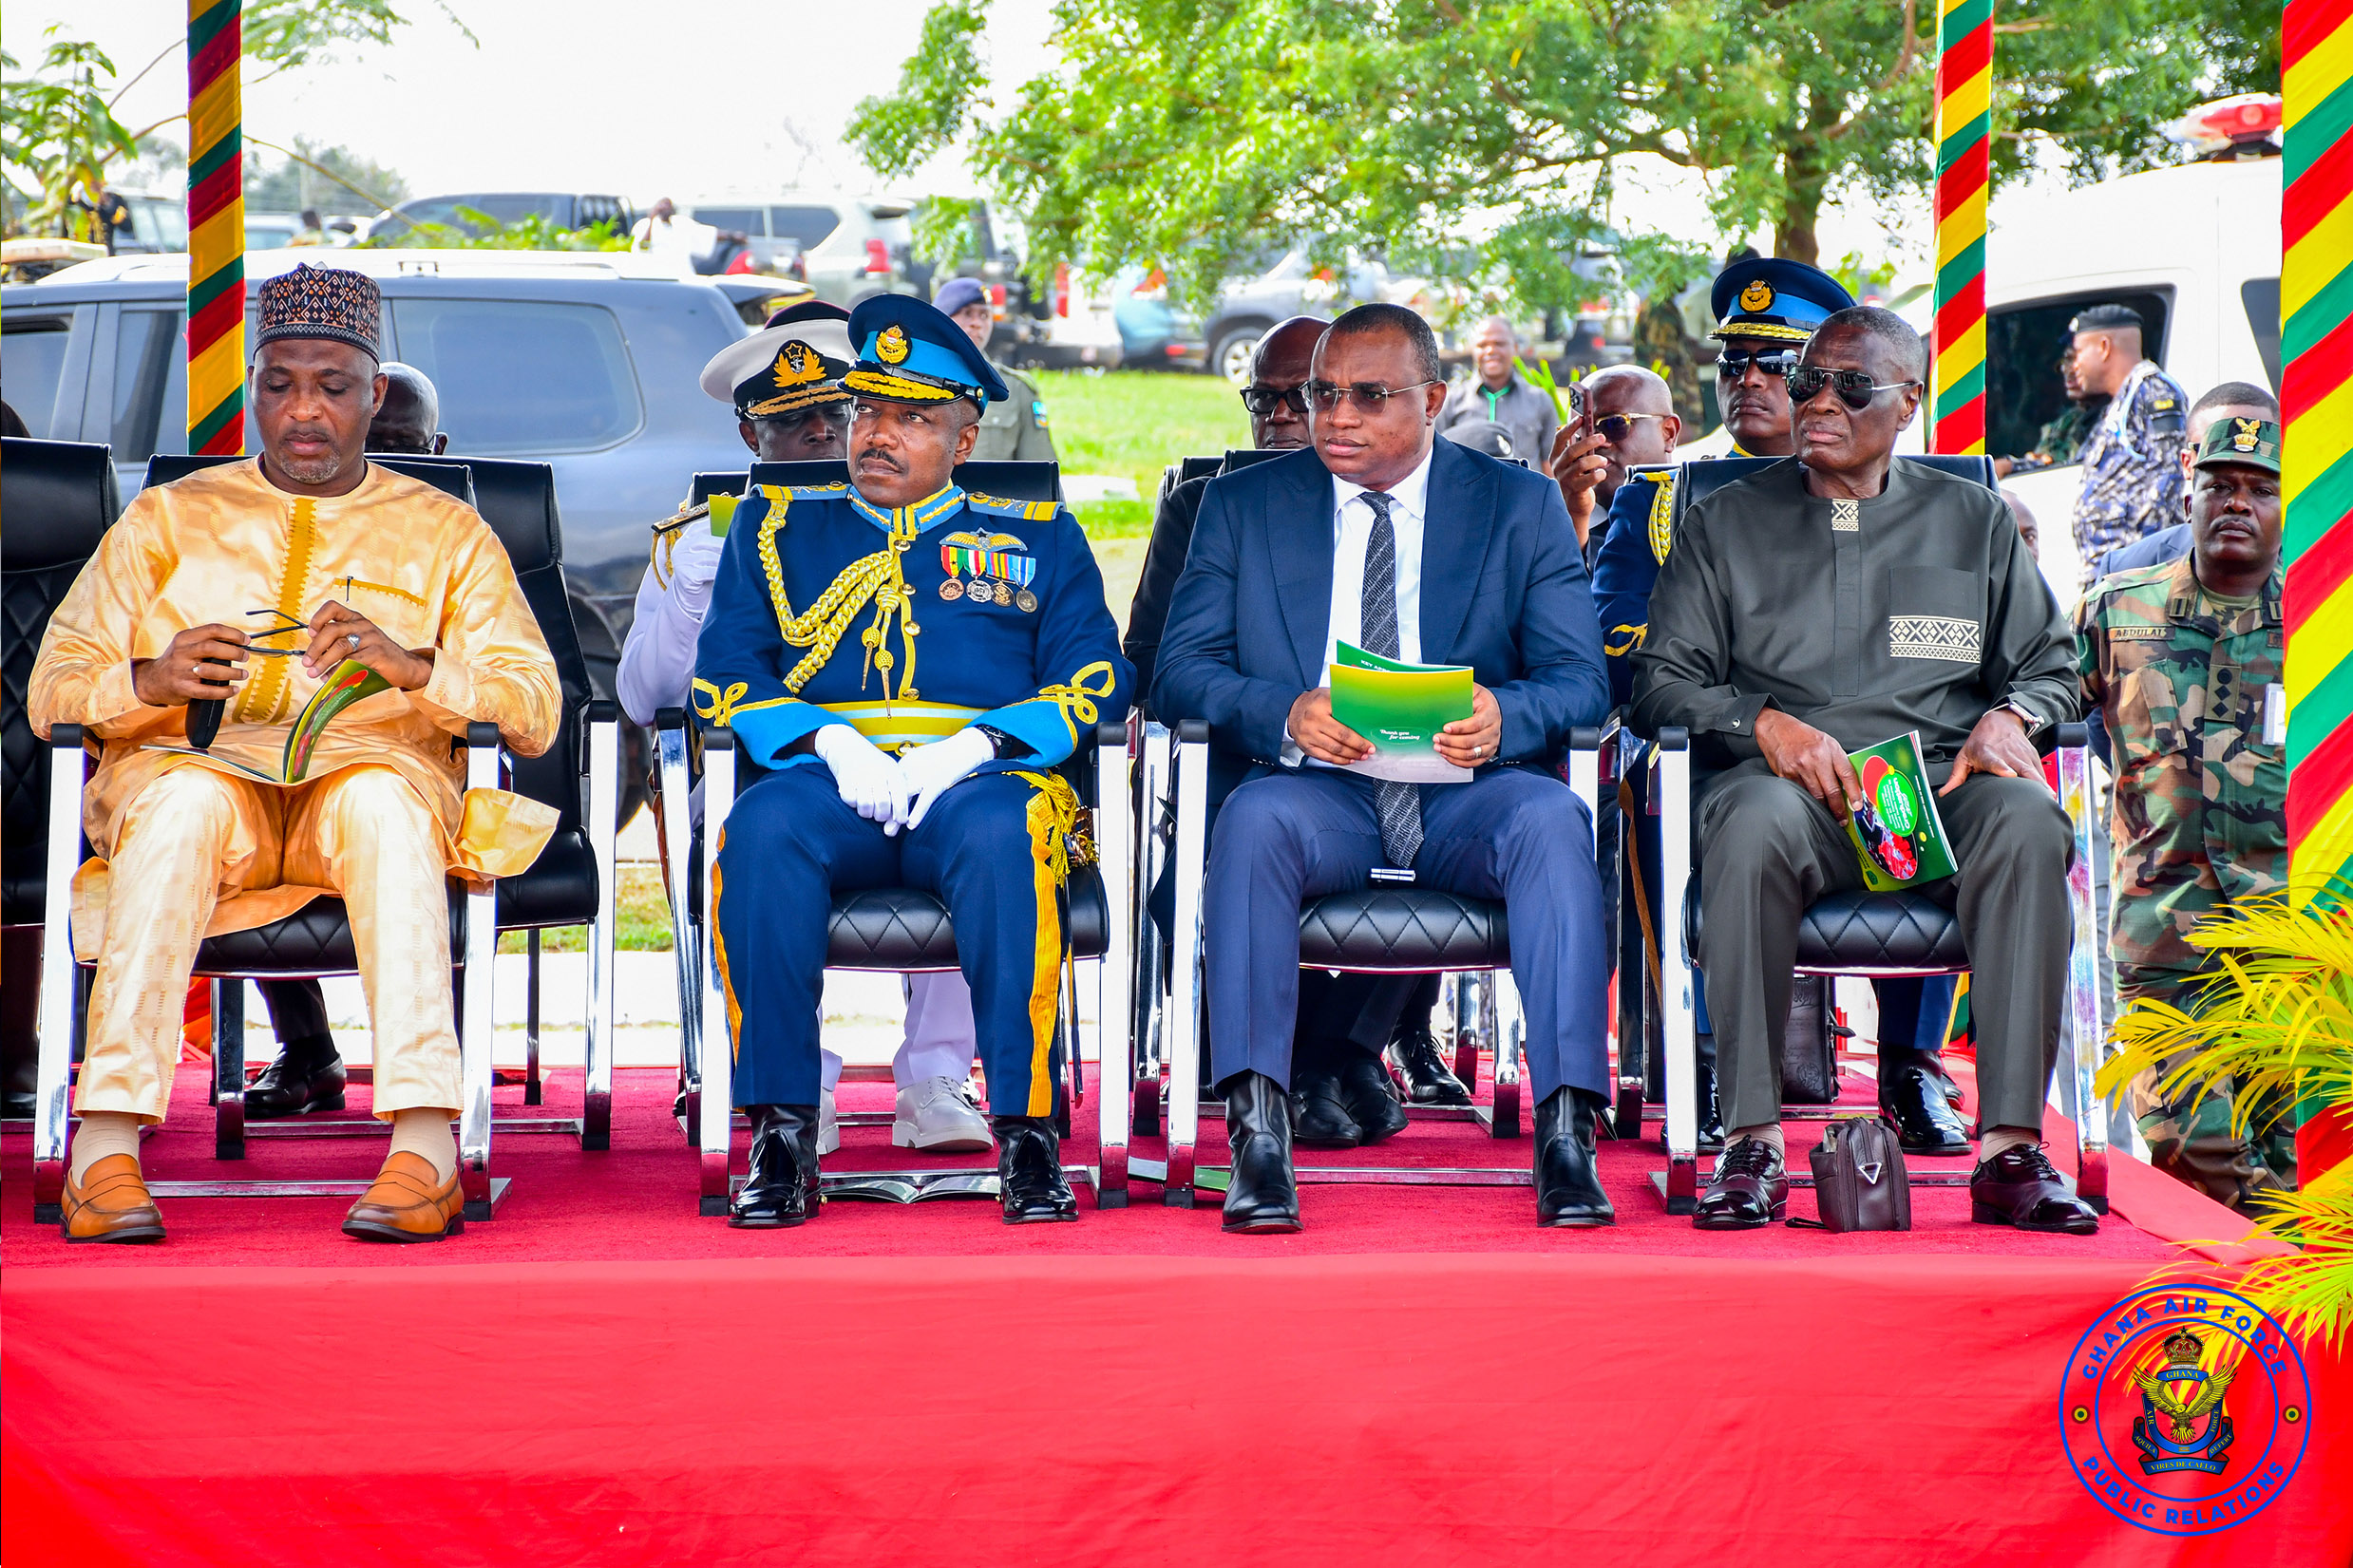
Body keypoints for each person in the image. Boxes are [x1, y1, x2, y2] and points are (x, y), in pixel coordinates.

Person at [29, 264, 562, 1243]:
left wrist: (414, 668)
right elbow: (53, 685)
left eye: (331, 386)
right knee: (180, 807)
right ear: (254, 392)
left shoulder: (444, 532)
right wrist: (149, 678)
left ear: (374, 395)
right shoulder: (168, 518)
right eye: (279, 384)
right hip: (199, 777)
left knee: (385, 806)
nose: (304, 410)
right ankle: (102, 1148)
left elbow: (532, 706)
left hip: (365, 779)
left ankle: (425, 1148)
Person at [1632, 305, 2097, 1236]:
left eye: (1850, 387)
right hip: (1786, 796)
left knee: (2027, 820)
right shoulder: (1723, 521)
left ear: (1908, 400)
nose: (1817, 403)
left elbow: (2054, 667)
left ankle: (2009, 1150)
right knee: (1749, 822)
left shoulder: (1970, 519)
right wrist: (1760, 722)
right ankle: (1750, 1142)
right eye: (1807, 382)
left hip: (1941, 792)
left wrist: (2012, 715)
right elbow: (1657, 685)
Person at [1153, 303, 1615, 1232]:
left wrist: (1503, 715)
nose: (1336, 415)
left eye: (1368, 396)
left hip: (1467, 791)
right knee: (1252, 818)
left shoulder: (1515, 505)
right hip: (1318, 789)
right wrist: (1283, 711)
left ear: (1433, 401)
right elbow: (1178, 671)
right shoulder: (1241, 505)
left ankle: (1566, 1137)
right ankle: (1258, 1136)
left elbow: (1580, 682)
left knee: (1551, 818)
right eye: (1322, 394)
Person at [693, 294, 1130, 1229]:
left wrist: (981, 743)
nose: (877, 434)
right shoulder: (774, 527)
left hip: (977, 783)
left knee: (1009, 834)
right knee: (760, 831)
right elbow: (724, 673)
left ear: (964, 440)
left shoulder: (1039, 535)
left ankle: (1026, 1133)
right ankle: (779, 1132)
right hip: (828, 782)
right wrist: (827, 738)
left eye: (911, 418)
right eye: (867, 411)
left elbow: (1095, 678)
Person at [1587, 258, 1967, 1158]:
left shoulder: (1916, 502)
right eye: (1734, 362)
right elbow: (1620, 649)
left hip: (1874, 765)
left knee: (1922, 764)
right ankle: (1711, 1056)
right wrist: (1752, 700)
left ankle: (1909, 1061)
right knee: (1664, 781)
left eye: (1778, 363)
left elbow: (1946, 656)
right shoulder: (1662, 500)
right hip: (1724, 756)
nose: (1751, 380)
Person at [617, 301, 994, 1156]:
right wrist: (691, 594)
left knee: (976, 811)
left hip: (925, 765)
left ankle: (938, 1073)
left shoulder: (946, 521)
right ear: (751, 436)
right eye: (795, 421)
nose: (826, 434)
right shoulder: (703, 533)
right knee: (752, 829)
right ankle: (797, 1086)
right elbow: (645, 698)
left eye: (840, 411)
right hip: (768, 774)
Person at [1126, 313, 1469, 1123]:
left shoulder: (1431, 504)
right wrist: (1276, 711)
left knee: (1425, 839)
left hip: (1405, 760)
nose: (1289, 415)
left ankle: (1327, 1058)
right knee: (1218, 858)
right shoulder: (1209, 504)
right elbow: (1152, 662)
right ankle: (1312, 1068)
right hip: (1246, 762)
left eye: (1302, 395)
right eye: (1270, 399)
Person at [2077, 416, 2293, 1213]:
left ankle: (2278, 1284)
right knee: (2186, 1143)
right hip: (2164, 939)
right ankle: (2271, 1259)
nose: (2237, 502)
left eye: (2259, 489)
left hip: (2293, 943)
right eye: (2219, 485)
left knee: (2298, 1154)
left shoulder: (2325, 624)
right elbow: (2035, 707)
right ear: (2187, 493)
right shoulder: (2115, 612)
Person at [242, 359, 458, 1120]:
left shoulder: (459, 534)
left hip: (424, 764)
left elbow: (509, 684)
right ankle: (308, 1047)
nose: (377, 456)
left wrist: (418, 671)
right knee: (234, 788)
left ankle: (436, 1066)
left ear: (436, 450)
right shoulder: (278, 529)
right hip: (294, 763)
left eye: (398, 443)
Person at [2091, 382, 2280, 583]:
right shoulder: (2127, 569)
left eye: (2264, 446)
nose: (2239, 503)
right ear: (2187, 463)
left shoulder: (2302, 565)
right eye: (2214, 445)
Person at [2066, 305, 2189, 584]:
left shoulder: (2155, 391)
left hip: (2132, 574)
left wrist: (2144, 567)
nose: (2075, 365)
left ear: (2104, 347)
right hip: (2109, 568)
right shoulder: (2123, 400)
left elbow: (2168, 479)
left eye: (2079, 352)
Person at [1549, 362, 1682, 571]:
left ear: (1668, 433)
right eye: (1580, 434)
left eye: (1614, 424)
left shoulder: (1700, 512)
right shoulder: (1548, 528)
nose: (1596, 441)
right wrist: (1573, 517)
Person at [936, 276, 1056, 463]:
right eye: (967, 313)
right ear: (941, 320)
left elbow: (1038, 470)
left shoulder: (1014, 389)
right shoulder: (909, 380)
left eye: (984, 315)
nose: (977, 323)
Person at [1436, 315, 1559, 473]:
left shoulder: (1539, 400)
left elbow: (1550, 463)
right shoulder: (1452, 401)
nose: (1491, 350)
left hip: (1522, 488)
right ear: (1473, 350)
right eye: (1482, 345)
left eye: (1499, 344)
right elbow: (1437, 458)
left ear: (1515, 348)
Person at [1994, 341, 2106, 478]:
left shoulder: (2116, 419)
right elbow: (2046, 462)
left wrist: (2012, 467)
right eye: (2068, 360)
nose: (2070, 370)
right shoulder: (2069, 421)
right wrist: (2012, 466)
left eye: (2078, 359)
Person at [630, 198, 718, 259]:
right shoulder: (644, 224)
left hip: (680, 272)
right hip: (656, 271)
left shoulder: (681, 224)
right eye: (662, 204)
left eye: (669, 205)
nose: (666, 207)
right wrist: (652, 219)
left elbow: (707, 234)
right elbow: (643, 247)